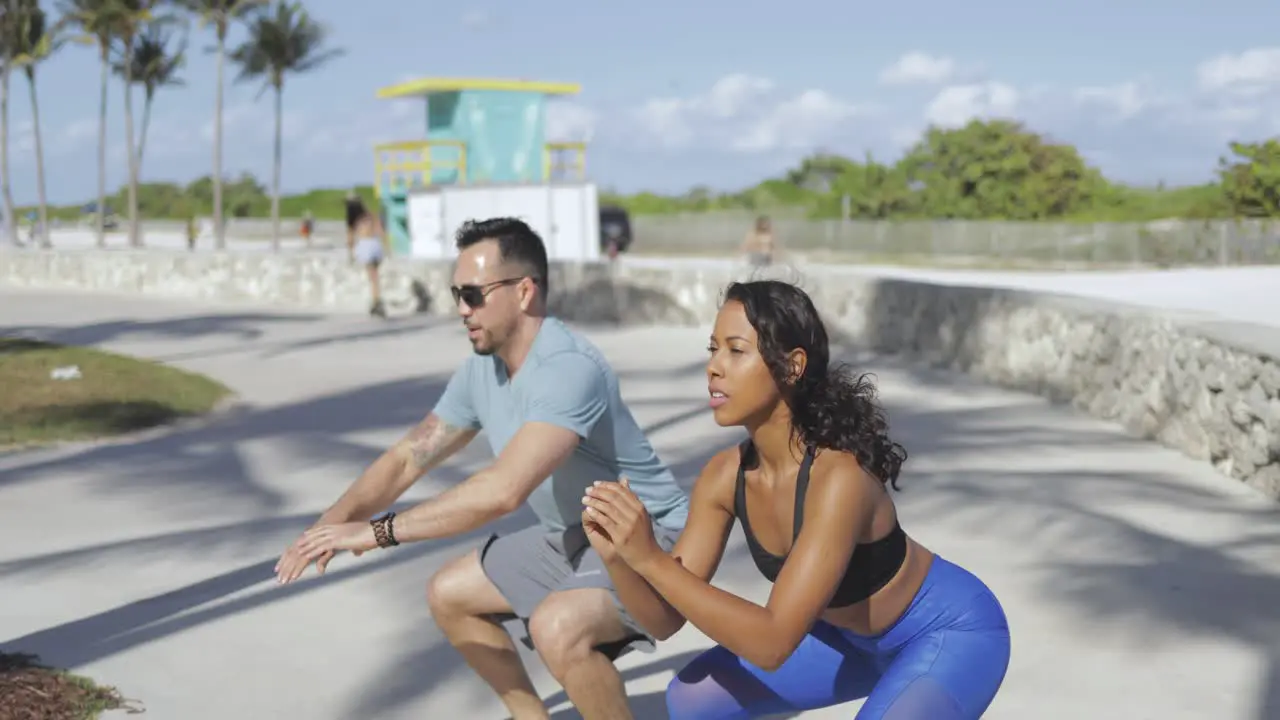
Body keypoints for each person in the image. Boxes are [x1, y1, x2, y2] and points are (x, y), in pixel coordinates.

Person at [274, 217, 691, 720]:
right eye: (456, 294)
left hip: (649, 538)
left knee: (558, 627)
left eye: (473, 294)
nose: (460, 310)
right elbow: (409, 457)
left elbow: (503, 492)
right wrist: (328, 527)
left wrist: (377, 532)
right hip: (577, 533)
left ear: (523, 291)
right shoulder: (483, 369)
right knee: (449, 594)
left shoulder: (567, 368)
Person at [581, 279, 1011, 719]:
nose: (714, 367)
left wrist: (651, 558)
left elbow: (772, 644)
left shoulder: (839, 476)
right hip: (848, 643)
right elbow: (665, 621)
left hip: (948, 633)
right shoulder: (723, 477)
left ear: (792, 366)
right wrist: (623, 556)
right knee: (693, 697)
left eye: (735, 350)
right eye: (712, 349)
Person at [348, 208, 390, 317]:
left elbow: (351, 237)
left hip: (366, 246)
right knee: (374, 276)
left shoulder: (358, 220)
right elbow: (382, 233)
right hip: (375, 245)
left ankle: (376, 301)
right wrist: (387, 248)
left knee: (373, 276)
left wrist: (351, 253)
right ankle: (376, 300)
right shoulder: (373, 218)